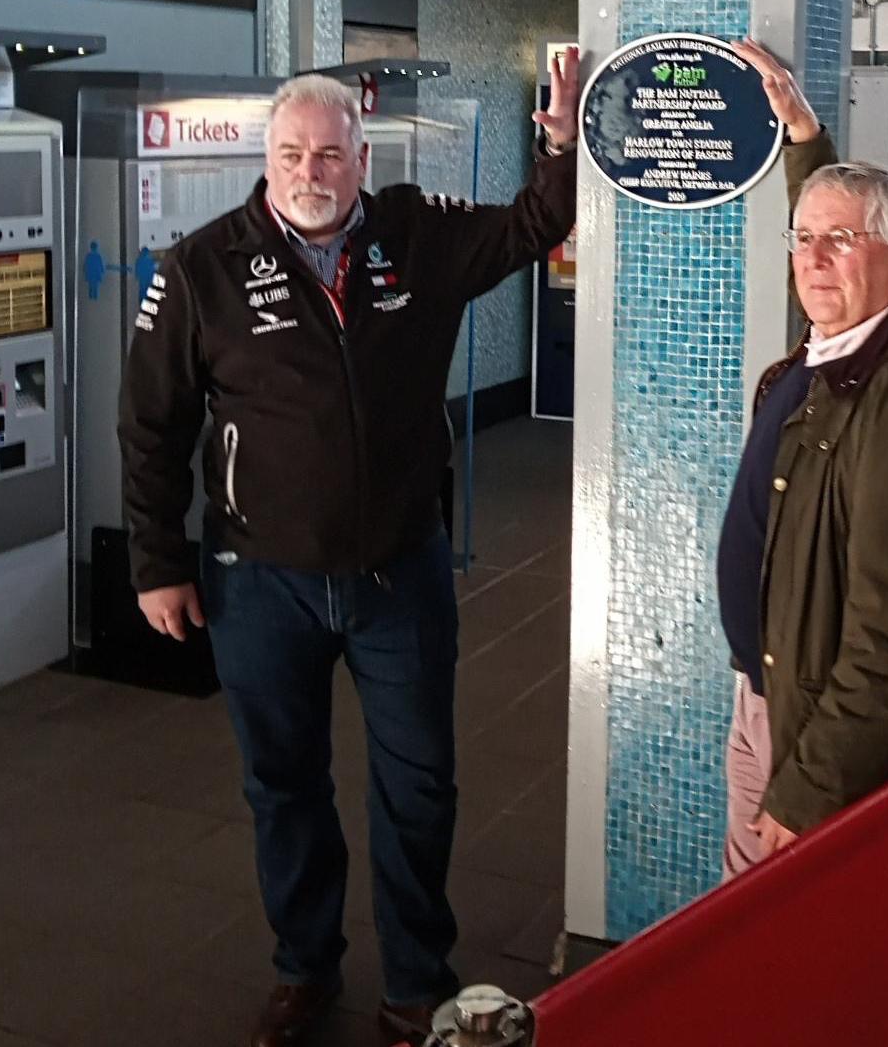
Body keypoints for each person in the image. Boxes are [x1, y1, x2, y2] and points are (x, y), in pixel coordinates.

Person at [118, 53, 579, 1046]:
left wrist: (559, 140)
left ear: (361, 158)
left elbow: (537, 226)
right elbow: (151, 424)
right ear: (267, 158)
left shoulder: (421, 233)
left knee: (419, 785)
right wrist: (157, 561)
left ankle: (415, 978)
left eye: (329, 152)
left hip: (399, 571)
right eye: (291, 152)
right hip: (258, 582)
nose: (310, 170)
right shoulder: (202, 264)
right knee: (284, 786)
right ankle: (304, 966)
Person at [718, 39, 888, 875]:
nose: (813, 260)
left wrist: (808, 790)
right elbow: (839, 236)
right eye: (801, 239)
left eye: (839, 242)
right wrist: (804, 139)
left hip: (820, 737)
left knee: (784, 943)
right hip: (776, 688)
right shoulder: (858, 330)